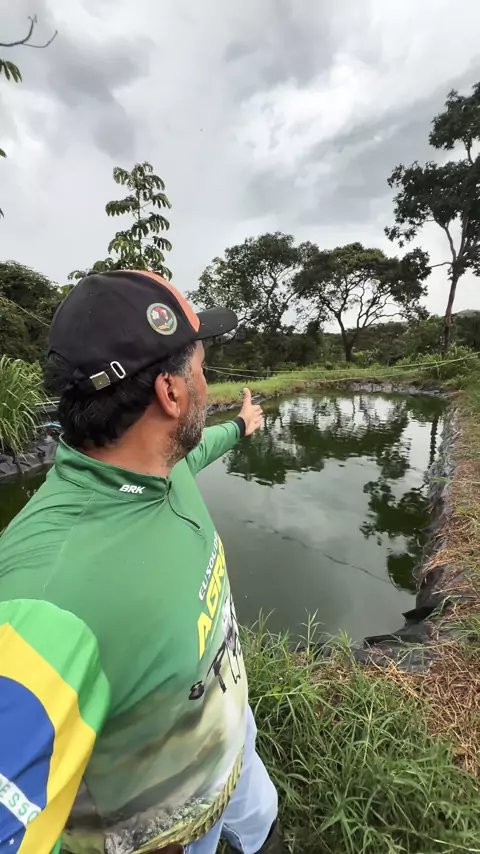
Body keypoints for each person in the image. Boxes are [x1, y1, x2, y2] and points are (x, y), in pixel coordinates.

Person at [0, 271, 288, 854]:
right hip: (158, 831)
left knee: (265, 827)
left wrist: (241, 426)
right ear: (171, 393)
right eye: (202, 369)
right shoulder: (43, 595)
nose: (207, 383)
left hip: (230, 737)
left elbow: (202, 446)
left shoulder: (158, 466)